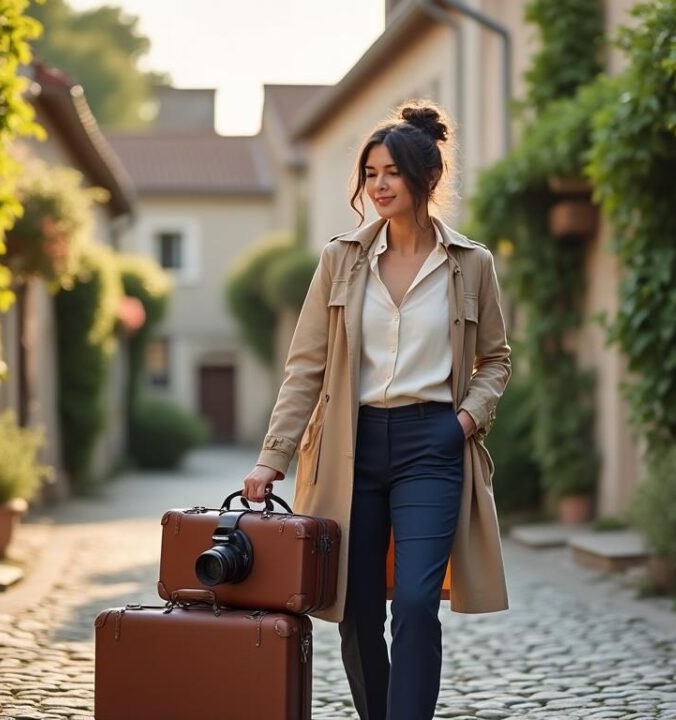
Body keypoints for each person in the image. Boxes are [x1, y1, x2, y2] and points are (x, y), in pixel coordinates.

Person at [241, 100, 511, 720]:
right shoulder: (341, 260)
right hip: (350, 446)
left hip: (432, 446)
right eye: (370, 173)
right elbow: (305, 366)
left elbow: (495, 360)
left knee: (415, 603)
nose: (379, 185)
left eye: (392, 172)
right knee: (357, 604)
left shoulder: (470, 265)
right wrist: (271, 459)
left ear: (426, 179)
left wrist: (465, 421)